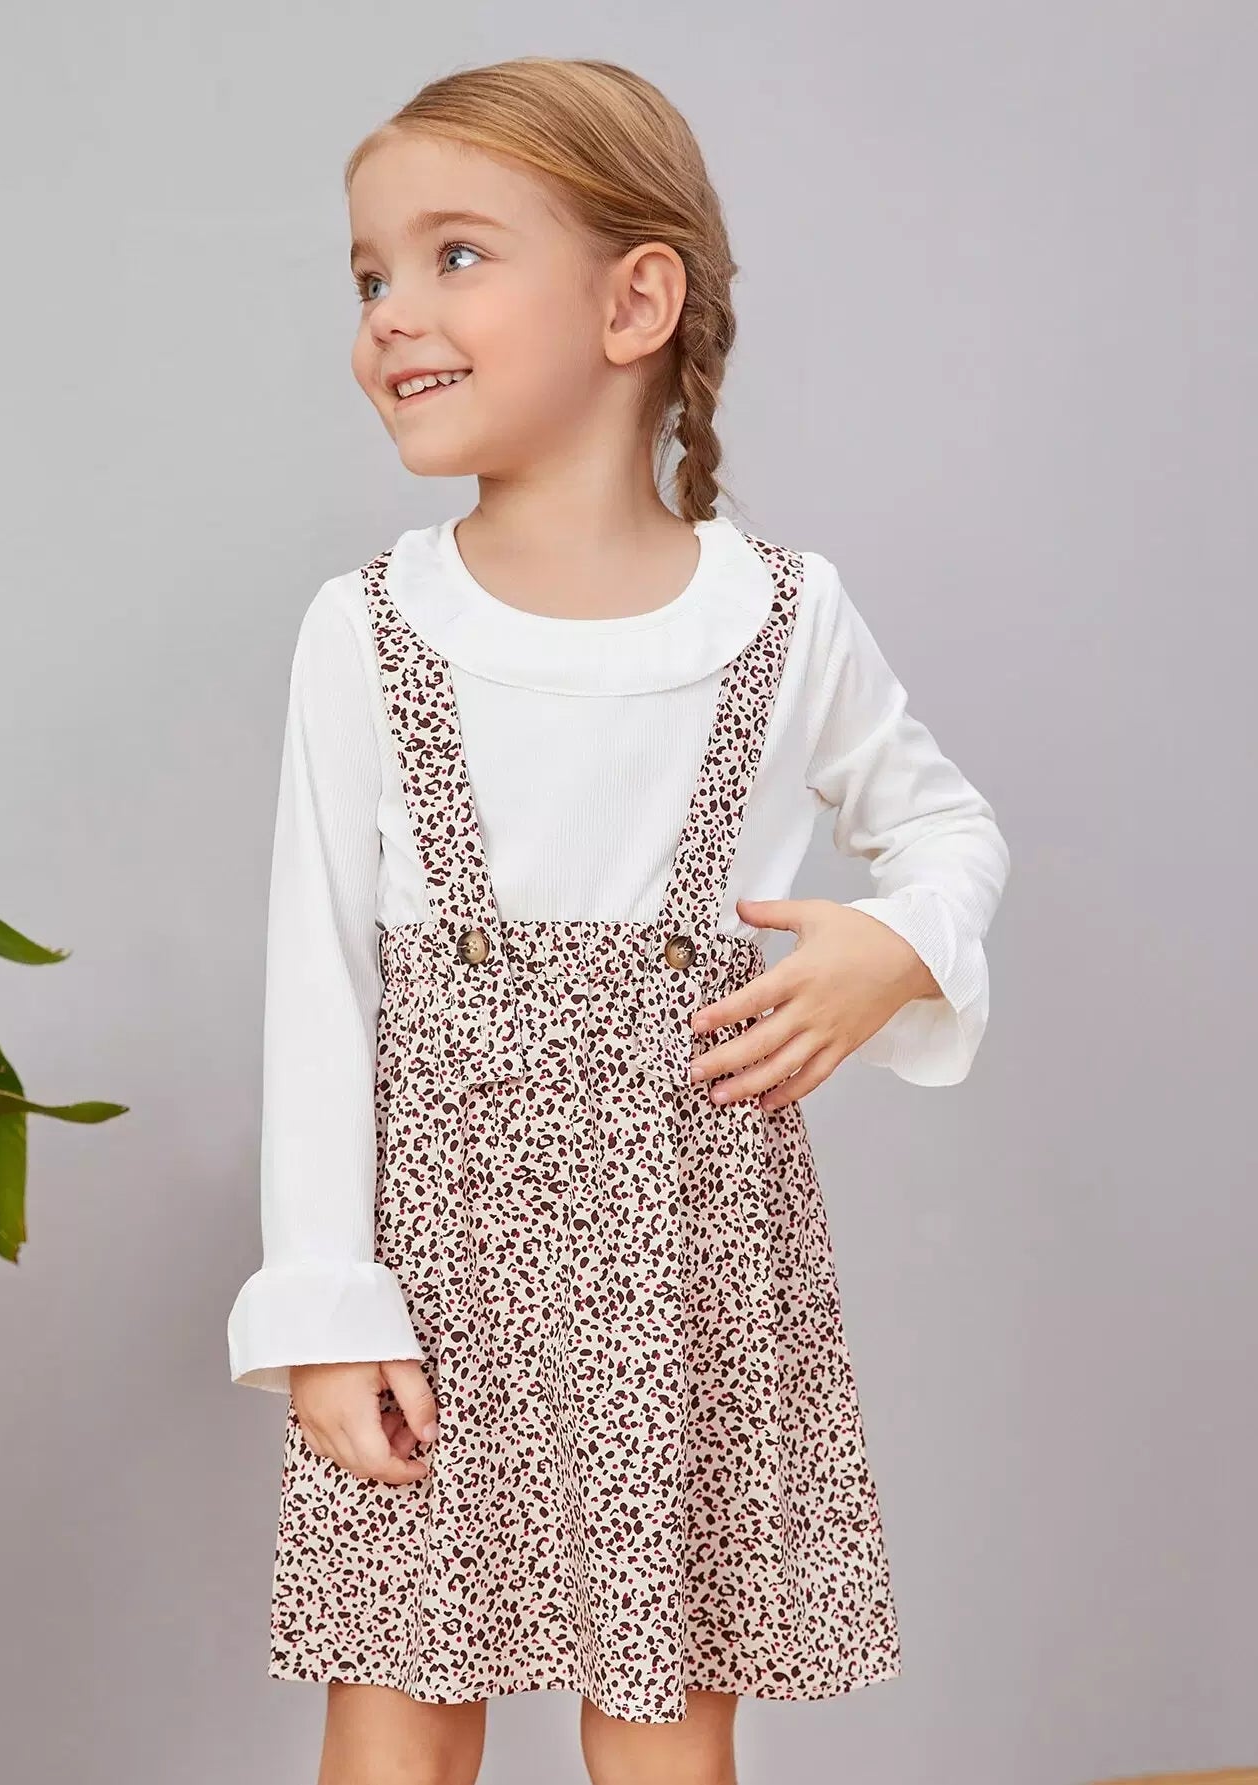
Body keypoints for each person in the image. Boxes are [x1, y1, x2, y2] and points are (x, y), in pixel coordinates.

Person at [225, 54, 1010, 1785]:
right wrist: (327, 1307)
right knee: (397, 1698)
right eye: (367, 273)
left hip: (687, 1263)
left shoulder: (784, 616)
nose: (389, 312)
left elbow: (945, 829)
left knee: (662, 1711)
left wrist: (894, 949)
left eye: (453, 255)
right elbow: (318, 985)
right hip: (430, 1268)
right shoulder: (366, 629)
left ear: (635, 300)